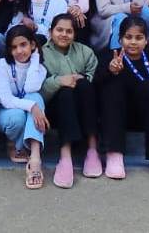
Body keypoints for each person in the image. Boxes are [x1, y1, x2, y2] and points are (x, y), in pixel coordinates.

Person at [95, 16, 149, 179]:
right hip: (115, 119)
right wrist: (110, 71)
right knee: (113, 87)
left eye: (139, 38)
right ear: (120, 39)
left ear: (146, 40)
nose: (133, 42)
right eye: (128, 37)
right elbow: (95, 87)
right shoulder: (109, 57)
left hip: (148, 118)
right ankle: (114, 154)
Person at [41, 14, 101, 188]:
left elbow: (95, 77)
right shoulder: (41, 53)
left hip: (84, 106)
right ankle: (65, 155)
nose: (64, 35)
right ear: (51, 32)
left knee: (84, 84)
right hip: (55, 108)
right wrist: (60, 81)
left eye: (69, 31)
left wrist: (81, 79)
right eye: (59, 30)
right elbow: (38, 87)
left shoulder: (85, 51)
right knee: (66, 93)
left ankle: (92, 150)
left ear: (74, 34)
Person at [0, 26, 49, 189]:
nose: (19, 51)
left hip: (27, 114)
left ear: (33, 45)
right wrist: (32, 106)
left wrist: (35, 58)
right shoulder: (2, 64)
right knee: (21, 113)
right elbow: (6, 100)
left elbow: (31, 88)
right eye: (14, 47)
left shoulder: (40, 68)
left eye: (23, 45)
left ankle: (35, 158)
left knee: (36, 97)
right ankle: (14, 143)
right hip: (5, 113)